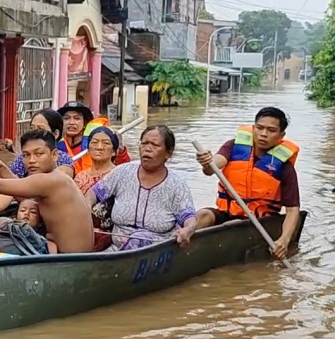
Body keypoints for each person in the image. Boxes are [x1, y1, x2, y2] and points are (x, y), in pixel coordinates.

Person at [193, 106, 301, 260]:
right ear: (253, 128)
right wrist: (207, 162)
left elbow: (292, 210)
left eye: (271, 130)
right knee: (201, 216)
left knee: (235, 225)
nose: (263, 134)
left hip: (260, 221)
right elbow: (212, 168)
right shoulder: (233, 146)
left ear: (281, 135)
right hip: (228, 213)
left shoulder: (284, 167)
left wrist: (284, 240)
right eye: (260, 128)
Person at [86, 125, 197, 251]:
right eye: (144, 143)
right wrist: (86, 208)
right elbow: (93, 193)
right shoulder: (122, 172)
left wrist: (188, 229)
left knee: (139, 238)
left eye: (155, 145)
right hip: (115, 248)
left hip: (156, 251)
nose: (147, 149)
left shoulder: (177, 184)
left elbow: (189, 218)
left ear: (168, 153)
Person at [73, 126, 119, 194]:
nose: (99, 147)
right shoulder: (80, 177)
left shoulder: (119, 175)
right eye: (94, 142)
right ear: (88, 150)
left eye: (106, 143)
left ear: (114, 152)